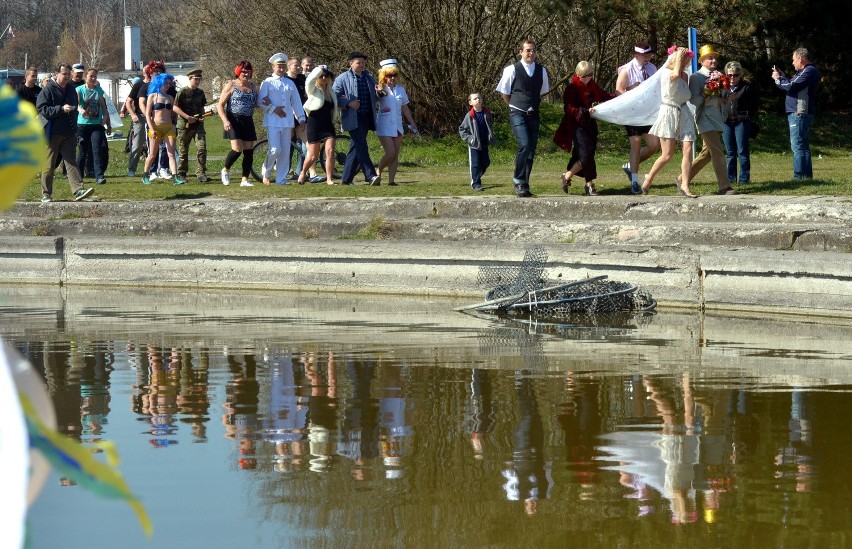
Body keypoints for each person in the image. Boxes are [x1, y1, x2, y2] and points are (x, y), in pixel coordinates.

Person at [497, 39, 551, 198]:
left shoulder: (542, 70)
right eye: (528, 50)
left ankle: (524, 183)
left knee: (531, 150)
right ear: (521, 52)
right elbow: (504, 92)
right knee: (524, 144)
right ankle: (518, 180)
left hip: (533, 114)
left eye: (533, 50)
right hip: (517, 113)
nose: (531, 53)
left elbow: (542, 91)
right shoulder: (511, 69)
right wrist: (514, 105)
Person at [642, 46, 698, 197]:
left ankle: (685, 185)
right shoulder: (667, 73)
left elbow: (685, 91)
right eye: (685, 61)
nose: (686, 64)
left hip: (684, 111)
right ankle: (649, 179)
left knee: (688, 149)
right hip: (669, 111)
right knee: (667, 154)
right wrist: (679, 56)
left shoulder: (684, 76)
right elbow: (674, 75)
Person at [35, 62, 95, 202]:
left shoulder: (71, 90)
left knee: (71, 161)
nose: (67, 76)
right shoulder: (48, 89)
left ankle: (78, 190)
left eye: (69, 74)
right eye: (64, 74)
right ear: (57, 73)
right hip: (52, 133)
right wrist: (60, 109)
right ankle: (46, 193)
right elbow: (42, 109)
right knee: (49, 164)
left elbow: (74, 109)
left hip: (69, 132)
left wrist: (74, 127)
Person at [553, 61, 614, 196]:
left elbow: (604, 96)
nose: (587, 78)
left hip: (590, 125)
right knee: (586, 155)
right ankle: (589, 185)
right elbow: (569, 108)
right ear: (578, 75)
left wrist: (619, 96)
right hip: (577, 125)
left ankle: (567, 176)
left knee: (586, 155)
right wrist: (586, 111)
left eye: (590, 75)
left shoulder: (593, 86)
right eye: (584, 76)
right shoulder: (572, 88)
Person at [688, 44, 737, 195]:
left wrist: (728, 97)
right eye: (710, 58)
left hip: (716, 118)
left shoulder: (720, 74)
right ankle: (724, 186)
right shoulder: (696, 77)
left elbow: (722, 96)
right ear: (702, 61)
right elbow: (694, 100)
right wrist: (708, 92)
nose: (714, 60)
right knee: (717, 151)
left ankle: (682, 179)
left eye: (715, 57)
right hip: (703, 118)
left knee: (706, 154)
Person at [615, 41, 660, 190]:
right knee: (636, 143)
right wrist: (632, 91)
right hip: (632, 112)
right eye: (643, 55)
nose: (647, 57)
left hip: (647, 112)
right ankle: (634, 181)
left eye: (648, 54)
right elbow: (618, 90)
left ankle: (630, 166)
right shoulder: (627, 69)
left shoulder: (652, 68)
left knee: (654, 145)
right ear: (635, 55)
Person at [772, 47, 821, 180]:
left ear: (801, 58)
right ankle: (806, 177)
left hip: (799, 112)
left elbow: (791, 86)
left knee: (798, 146)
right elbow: (792, 84)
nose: (792, 63)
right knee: (803, 146)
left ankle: (799, 177)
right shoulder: (804, 72)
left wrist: (778, 79)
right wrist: (783, 77)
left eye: (794, 60)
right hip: (800, 112)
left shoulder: (809, 71)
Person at [333, 51, 381, 186]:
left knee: (356, 147)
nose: (361, 65)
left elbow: (375, 97)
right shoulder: (342, 78)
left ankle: (346, 178)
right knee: (362, 146)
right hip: (353, 117)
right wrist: (348, 103)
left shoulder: (369, 78)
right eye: (358, 62)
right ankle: (370, 175)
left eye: (363, 62)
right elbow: (334, 96)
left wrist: (379, 92)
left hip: (367, 116)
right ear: (351, 63)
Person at [258, 53, 306, 185]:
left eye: (282, 66)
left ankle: (280, 178)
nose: (281, 69)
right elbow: (261, 101)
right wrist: (274, 109)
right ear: (273, 67)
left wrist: (301, 118)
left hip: (287, 122)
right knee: (275, 149)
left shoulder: (289, 83)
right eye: (278, 66)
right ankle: (266, 172)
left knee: (285, 151)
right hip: (273, 121)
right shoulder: (267, 82)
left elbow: (296, 102)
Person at [374, 59, 418, 187]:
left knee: (395, 154)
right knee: (390, 152)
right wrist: (379, 91)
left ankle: (391, 181)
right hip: (384, 124)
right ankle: (378, 172)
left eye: (395, 75)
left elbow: (405, 107)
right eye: (389, 75)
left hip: (397, 125)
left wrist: (412, 123)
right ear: (384, 76)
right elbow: (378, 96)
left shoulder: (401, 90)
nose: (392, 78)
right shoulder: (380, 88)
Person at [217, 60, 259, 187]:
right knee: (237, 149)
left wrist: (267, 102)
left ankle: (245, 179)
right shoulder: (231, 85)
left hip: (248, 120)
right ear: (238, 72)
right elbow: (220, 105)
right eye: (243, 72)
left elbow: (256, 104)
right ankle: (225, 170)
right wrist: (225, 121)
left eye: (248, 72)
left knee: (248, 151)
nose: (245, 74)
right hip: (233, 120)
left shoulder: (253, 87)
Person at [298, 65, 339, 185]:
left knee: (330, 151)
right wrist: (319, 70)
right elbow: (309, 79)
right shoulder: (313, 90)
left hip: (327, 125)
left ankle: (329, 179)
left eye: (326, 76)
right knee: (312, 156)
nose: (324, 78)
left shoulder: (331, 91)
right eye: (321, 76)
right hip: (314, 124)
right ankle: (303, 172)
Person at [141, 72, 182, 185]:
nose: (168, 85)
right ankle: (145, 174)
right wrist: (151, 129)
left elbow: (174, 113)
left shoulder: (170, 97)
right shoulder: (152, 96)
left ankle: (175, 176)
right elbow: (148, 115)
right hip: (156, 127)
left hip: (168, 128)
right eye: (166, 83)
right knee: (152, 154)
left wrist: (174, 125)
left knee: (171, 153)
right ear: (160, 83)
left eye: (169, 83)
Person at [722, 61, 758, 184]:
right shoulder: (722, 86)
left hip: (741, 121)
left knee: (742, 151)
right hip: (726, 121)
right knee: (730, 152)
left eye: (736, 75)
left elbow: (754, 105)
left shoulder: (746, 87)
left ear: (740, 75)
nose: (732, 78)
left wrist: (746, 116)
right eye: (730, 75)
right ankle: (730, 179)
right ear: (726, 74)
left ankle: (744, 179)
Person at [75, 67, 111, 186]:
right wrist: (80, 110)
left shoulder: (99, 90)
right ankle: (78, 176)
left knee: (97, 151)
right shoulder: (79, 89)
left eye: (95, 76)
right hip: (83, 125)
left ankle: (99, 176)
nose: (93, 78)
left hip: (96, 125)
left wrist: (105, 117)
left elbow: (103, 107)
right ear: (86, 77)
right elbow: (75, 104)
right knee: (82, 152)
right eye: (91, 76)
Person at [173, 69, 209, 182]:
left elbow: (202, 106)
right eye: (195, 79)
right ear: (190, 78)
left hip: (198, 125)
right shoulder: (182, 92)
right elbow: (175, 107)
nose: (198, 81)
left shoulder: (200, 93)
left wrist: (202, 116)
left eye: (199, 79)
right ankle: (182, 173)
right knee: (183, 150)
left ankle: (201, 173)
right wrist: (187, 117)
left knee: (202, 148)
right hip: (184, 125)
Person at [458, 92, 494, 192]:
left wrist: (490, 136)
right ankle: (476, 183)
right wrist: (470, 138)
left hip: (484, 143)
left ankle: (476, 176)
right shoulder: (469, 115)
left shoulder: (487, 113)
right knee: (475, 164)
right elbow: (462, 129)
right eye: (475, 99)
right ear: (470, 102)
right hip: (474, 145)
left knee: (486, 162)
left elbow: (489, 125)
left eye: (479, 98)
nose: (478, 100)